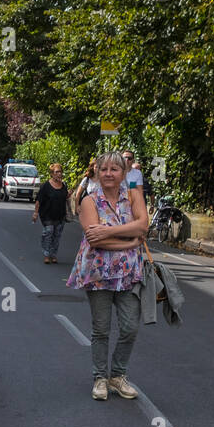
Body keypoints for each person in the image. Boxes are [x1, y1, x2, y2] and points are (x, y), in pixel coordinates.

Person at [68, 150, 149, 401]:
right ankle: (100, 378)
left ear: (124, 173)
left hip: (128, 274)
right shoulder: (89, 202)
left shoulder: (134, 195)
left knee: (130, 327)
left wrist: (109, 232)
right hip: (98, 274)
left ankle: (118, 375)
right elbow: (95, 240)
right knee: (101, 329)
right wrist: (131, 240)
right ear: (96, 172)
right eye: (104, 169)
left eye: (114, 169)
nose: (109, 174)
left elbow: (143, 225)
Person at [33, 163, 70, 264]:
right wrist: (35, 213)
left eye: (60, 172)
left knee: (57, 235)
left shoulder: (64, 185)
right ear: (52, 174)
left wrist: (69, 210)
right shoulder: (46, 186)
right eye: (56, 172)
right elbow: (38, 200)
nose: (59, 174)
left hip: (60, 215)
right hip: (47, 214)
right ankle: (46, 254)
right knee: (48, 232)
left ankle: (53, 254)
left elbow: (65, 198)